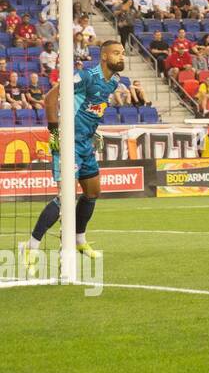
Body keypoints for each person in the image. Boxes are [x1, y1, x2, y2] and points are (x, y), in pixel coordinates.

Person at [19, 41, 129, 275]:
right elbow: (50, 99)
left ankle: (79, 240)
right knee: (66, 197)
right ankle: (31, 246)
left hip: (85, 143)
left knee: (93, 191)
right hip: (67, 142)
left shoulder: (114, 83)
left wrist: (92, 131)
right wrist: (56, 133)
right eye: (117, 53)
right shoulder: (86, 76)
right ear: (104, 56)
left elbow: (91, 110)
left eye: (123, 54)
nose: (122, 57)